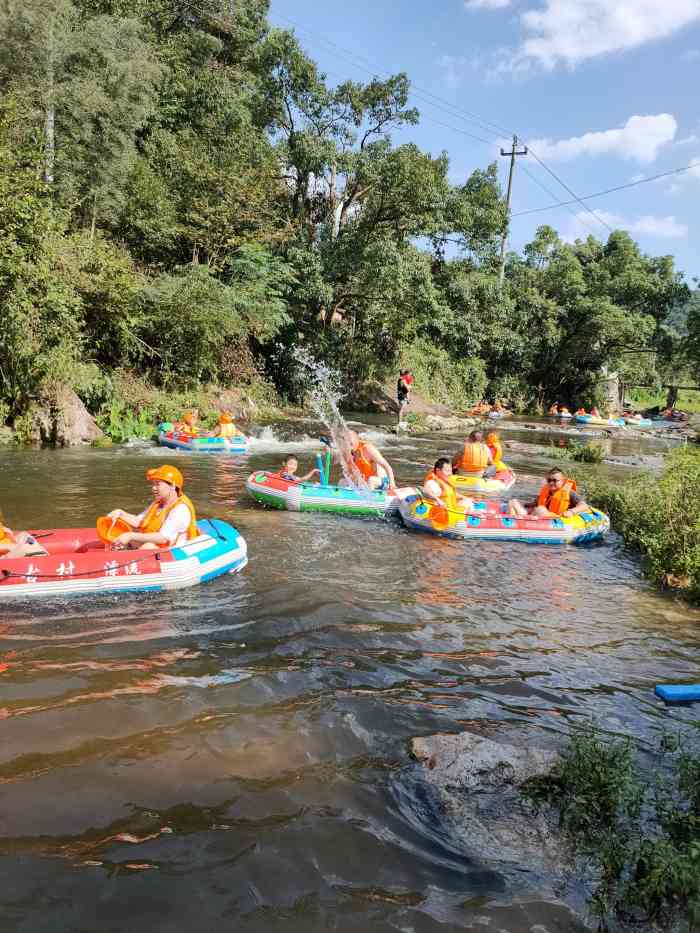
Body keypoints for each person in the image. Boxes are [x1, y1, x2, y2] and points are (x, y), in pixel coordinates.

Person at [107, 465, 198, 550]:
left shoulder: (180, 510)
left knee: (147, 546)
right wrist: (121, 514)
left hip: (172, 552)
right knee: (125, 538)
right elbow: (141, 522)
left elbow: (163, 538)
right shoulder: (159, 503)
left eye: (158, 484)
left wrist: (130, 535)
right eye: (153, 484)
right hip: (157, 546)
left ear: (173, 486)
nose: (153, 488)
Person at [508, 469, 590, 519]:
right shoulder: (546, 491)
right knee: (513, 501)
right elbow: (537, 502)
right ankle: (513, 523)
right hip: (539, 516)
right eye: (549, 480)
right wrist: (527, 504)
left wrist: (571, 512)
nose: (551, 483)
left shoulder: (570, 492)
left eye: (555, 480)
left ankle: (521, 521)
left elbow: (584, 505)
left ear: (563, 481)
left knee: (541, 509)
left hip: (558, 519)